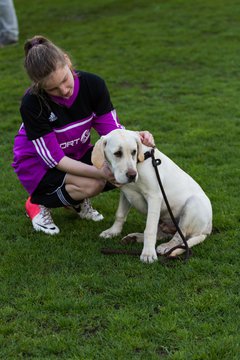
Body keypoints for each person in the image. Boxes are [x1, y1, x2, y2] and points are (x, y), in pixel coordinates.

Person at [12, 35, 155, 235]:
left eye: (64, 80)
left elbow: (113, 132)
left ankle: (74, 202)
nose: (63, 91)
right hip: (39, 166)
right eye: (52, 89)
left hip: (74, 154)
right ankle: (38, 202)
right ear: (38, 85)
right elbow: (55, 160)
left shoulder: (93, 85)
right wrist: (101, 172)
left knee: (124, 164)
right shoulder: (32, 104)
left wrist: (138, 138)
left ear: (67, 61)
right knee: (95, 182)